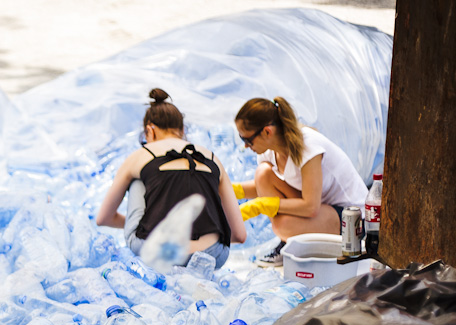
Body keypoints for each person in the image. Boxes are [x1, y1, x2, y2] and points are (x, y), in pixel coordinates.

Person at [96, 88, 246, 268]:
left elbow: (103, 218)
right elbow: (239, 234)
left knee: (139, 178)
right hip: (213, 255)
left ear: (149, 131)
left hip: (160, 252)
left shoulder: (141, 155)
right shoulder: (212, 158)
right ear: (182, 130)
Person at [233, 96, 367, 266]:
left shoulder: (307, 147)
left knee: (283, 225)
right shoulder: (269, 149)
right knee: (263, 174)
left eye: (247, 140)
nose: (245, 146)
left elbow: (310, 207)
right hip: (323, 209)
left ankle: (287, 241)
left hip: (352, 219)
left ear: (267, 132)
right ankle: (289, 241)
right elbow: (261, 185)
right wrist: (227, 189)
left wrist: (260, 205)